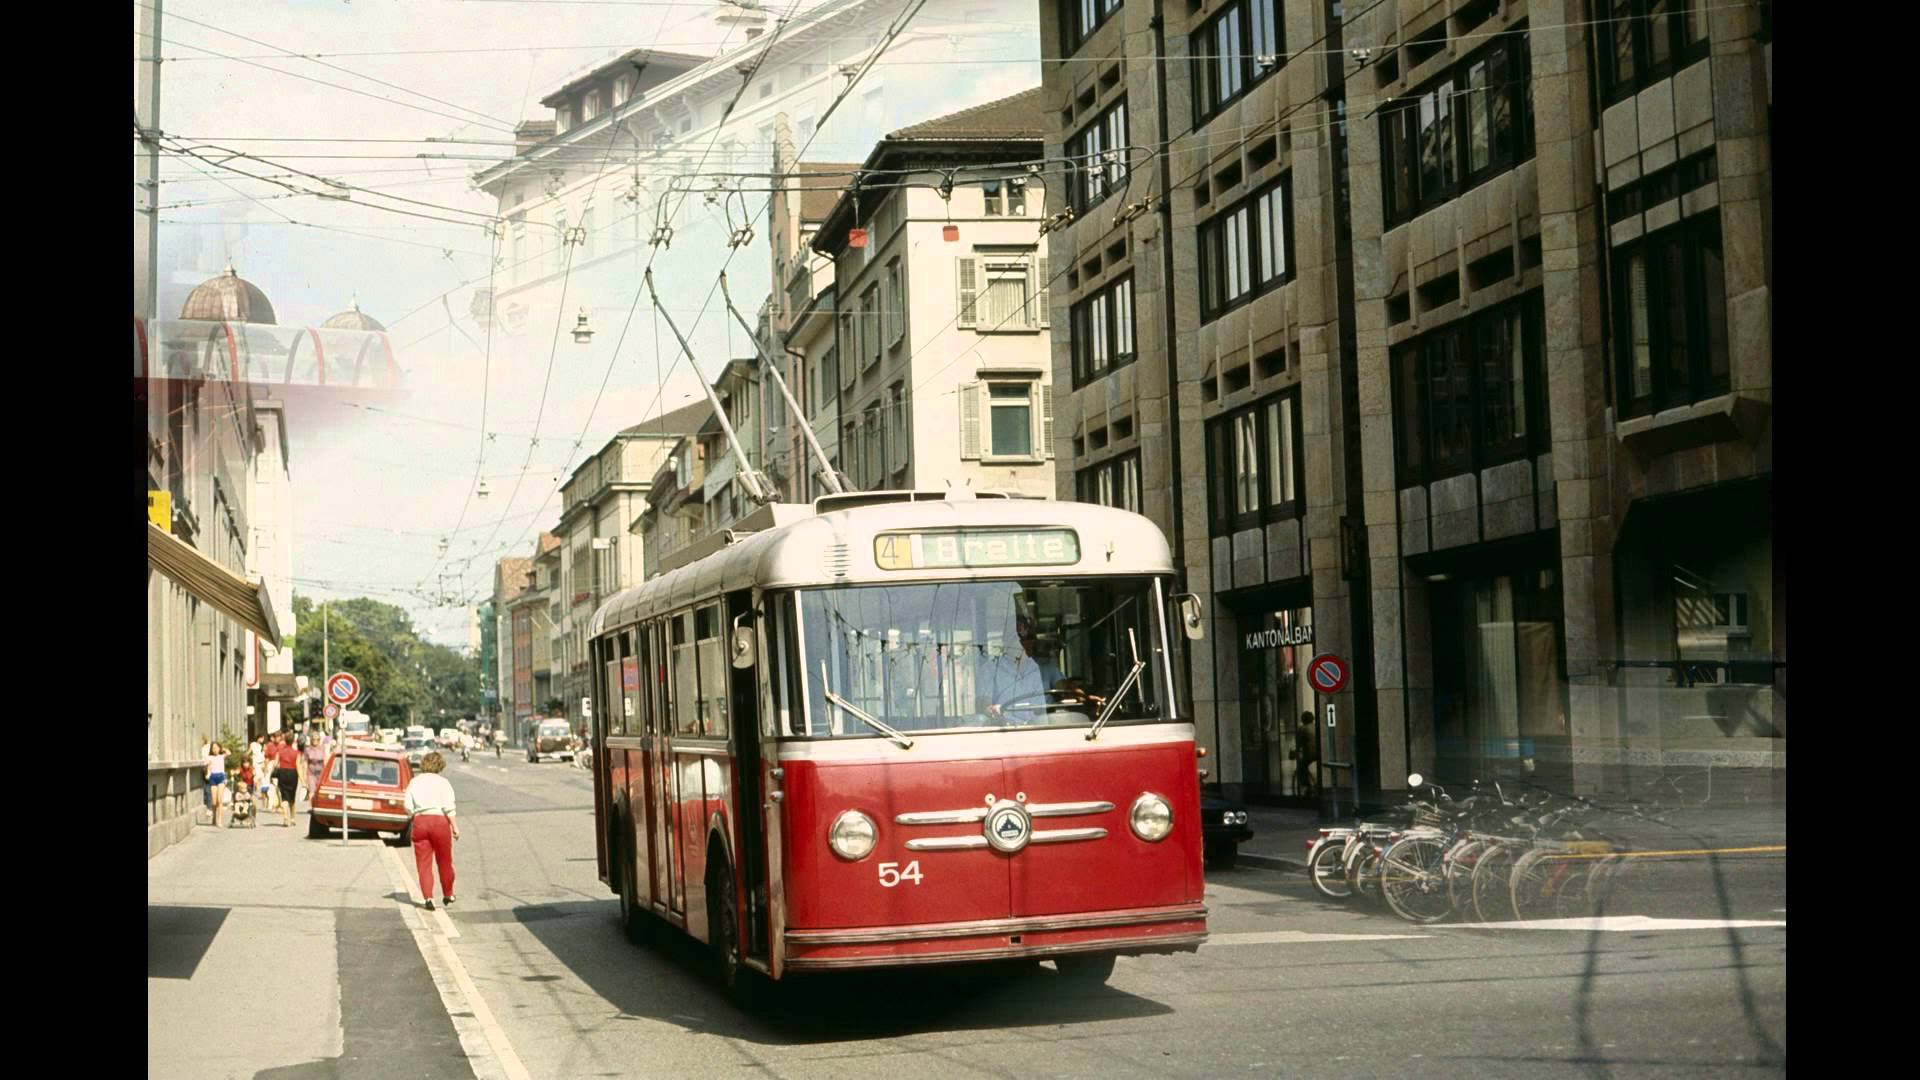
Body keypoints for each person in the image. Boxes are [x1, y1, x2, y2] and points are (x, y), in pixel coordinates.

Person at [979, 615, 1066, 721]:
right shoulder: (990, 669)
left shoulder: (1034, 668)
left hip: (1037, 728)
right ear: (1006, 641)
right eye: (1021, 638)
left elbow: (1041, 709)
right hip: (1005, 728)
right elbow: (983, 705)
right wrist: (993, 709)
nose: (1028, 643)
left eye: (1030, 637)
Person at [404, 752, 461, 911]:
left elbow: (407, 805)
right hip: (439, 822)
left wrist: (414, 815)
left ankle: (428, 897)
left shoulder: (414, 782)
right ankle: (448, 893)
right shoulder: (444, 783)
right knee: (444, 861)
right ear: (440, 765)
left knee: (423, 863)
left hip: (420, 821)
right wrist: (455, 827)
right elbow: (449, 807)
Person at [269, 732, 302, 828]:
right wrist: (303, 780)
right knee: (292, 797)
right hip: (292, 774)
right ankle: (293, 818)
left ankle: (285, 817)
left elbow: (275, 764)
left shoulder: (280, 752)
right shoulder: (297, 753)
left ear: (285, 741)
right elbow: (298, 767)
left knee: (284, 797)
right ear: (293, 741)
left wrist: (271, 774)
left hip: (282, 773)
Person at [1293, 711, 1320, 798]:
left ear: (1303, 720)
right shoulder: (1317, 726)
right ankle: (1316, 783)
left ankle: (1307, 785)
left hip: (1310, 754)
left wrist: (1295, 752)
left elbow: (1298, 744)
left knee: (1301, 766)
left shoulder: (1302, 729)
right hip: (1319, 753)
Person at [204, 742, 228, 828]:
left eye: (216, 748)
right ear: (211, 749)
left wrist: (222, 748)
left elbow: (229, 752)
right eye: (213, 748)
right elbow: (205, 765)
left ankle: (220, 820)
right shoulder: (209, 757)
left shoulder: (221, 756)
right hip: (213, 778)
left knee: (220, 800)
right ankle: (214, 817)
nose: (215, 750)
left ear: (219, 748)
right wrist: (207, 770)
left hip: (221, 777)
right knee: (214, 802)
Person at [303, 729, 329, 806]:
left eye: (317, 739)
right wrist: (304, 775)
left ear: (319, 740)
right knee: (312, 791)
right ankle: (312, 807)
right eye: (314, 739)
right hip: (311, 773)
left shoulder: (322, 748)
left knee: (319, 791)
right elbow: (305, 762)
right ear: (311, 740)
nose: (315, 741)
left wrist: (327, 773)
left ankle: (319, 805)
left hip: (321, 773)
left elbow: (325, 760)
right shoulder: (307, 749)